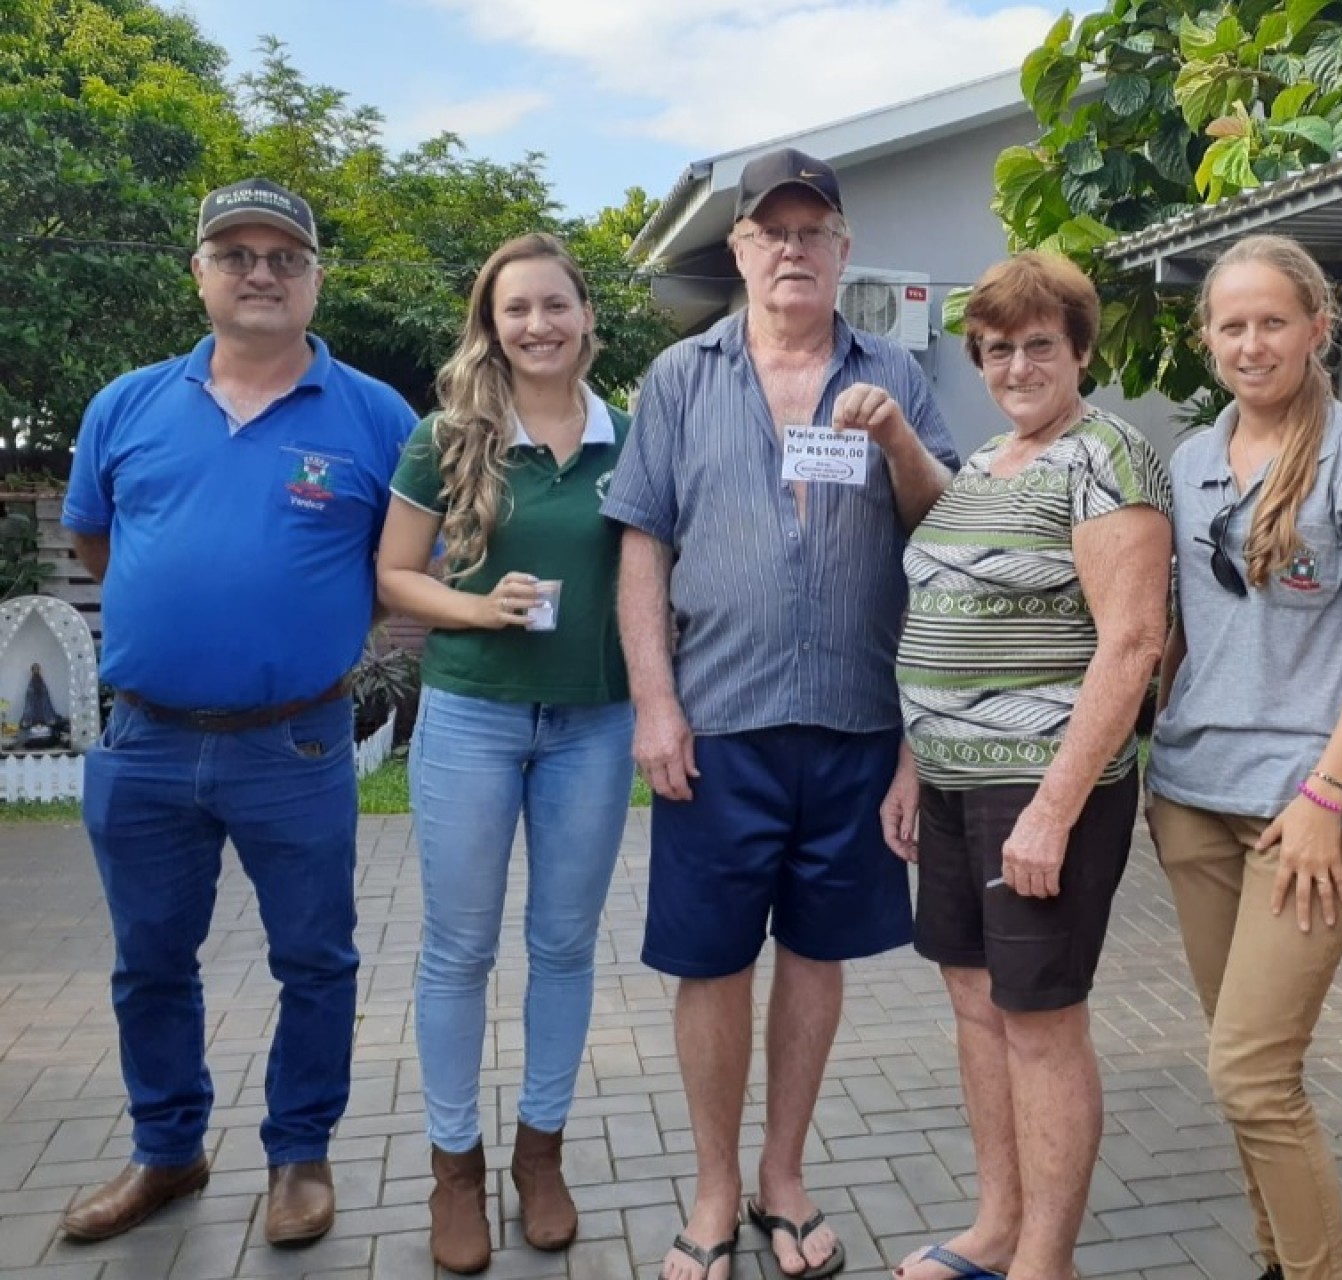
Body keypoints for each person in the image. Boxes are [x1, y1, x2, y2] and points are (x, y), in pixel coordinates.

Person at [601, 147, 959, 1280]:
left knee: (816, 955)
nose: (794, 248)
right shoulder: (677, 378)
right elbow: (641, 546)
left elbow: (942, 537)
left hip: (855, 726)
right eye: (773, 231)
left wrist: (896, 438)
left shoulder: (896, 369)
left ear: (843, 251)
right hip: (718, 728)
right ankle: (712, 1186)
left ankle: (782, 1176)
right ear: (742, 249)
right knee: (712, 963)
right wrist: (655, 704)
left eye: (815, 231)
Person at [59, 178, 414, 1245]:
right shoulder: (125, 403)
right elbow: (95, 544)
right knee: (149, 961)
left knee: (316, 959)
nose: (261, 272)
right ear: (200, 271)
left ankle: (299, 1155)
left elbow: (406, 564)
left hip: (296, 742)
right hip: (146, 742)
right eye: (236, 253)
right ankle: (168, 1151)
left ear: (315, 277)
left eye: (284, 256)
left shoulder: (376, 415)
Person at [1147, 234, 1342, 1280]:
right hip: (1191, 799)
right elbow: (1181, 625)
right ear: (1208, 336)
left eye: (1274, 321)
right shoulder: (1188, 459)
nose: (1252, 342)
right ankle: (1276, 1256)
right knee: (1242, 1069)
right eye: (1232, 324)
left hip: (1307, 809)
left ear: (1318, 326)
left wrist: (1327, 788)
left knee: (1253, 1075)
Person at [891, 253, 1173, 1280]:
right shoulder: (982, 464)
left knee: (1041, 1019)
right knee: (976, 1001)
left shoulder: (1108, 457)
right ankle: (994, 1226)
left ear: (1081, 350)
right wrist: (912, 763)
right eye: (998, 347)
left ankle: (1043, 1259)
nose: (1017, 364)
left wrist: (1052, 809)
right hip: (956, 780)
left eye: (1039, 344)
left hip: (1042, 788)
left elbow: (1132, 641)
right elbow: (937, 620)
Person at [375, 232, 635, 1273]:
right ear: (490, 323)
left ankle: (541, 1154)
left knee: (566, 947)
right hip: (475, 715)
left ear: (586, 316)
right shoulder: (446, 434)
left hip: (595, 720)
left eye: (555, 305)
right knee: (459, 950)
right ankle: (453, 1168)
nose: (537, 324)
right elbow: (395, 574)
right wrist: (478, 608)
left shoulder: (632, 437)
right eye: (515, 308)